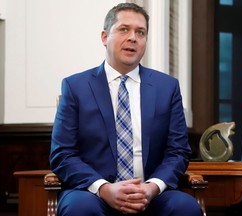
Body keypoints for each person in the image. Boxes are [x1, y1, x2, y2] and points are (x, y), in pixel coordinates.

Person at [50, 2, 202, 216]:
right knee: (79, 208)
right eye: (124, 29)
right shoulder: (75, 87)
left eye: (140, 32)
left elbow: (178, 151)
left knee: (185, 207)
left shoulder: (167, 88)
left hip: (151, 195)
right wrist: (103, 188)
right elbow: (63, 154)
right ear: (104, 37)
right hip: (92, 193)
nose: (133, 37)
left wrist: (152, 187)